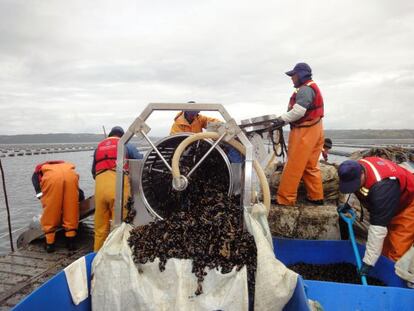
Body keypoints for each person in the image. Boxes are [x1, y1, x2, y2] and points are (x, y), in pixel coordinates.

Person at [338, 157, 414, 277]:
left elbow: (377, 229)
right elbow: (355, 190)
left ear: (362, 173)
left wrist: (368, 262)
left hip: (408, 204)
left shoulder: (382, 187)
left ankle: (392, 284)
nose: (354, 187)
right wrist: (348, 205)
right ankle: (379, 272)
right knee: (383, 250)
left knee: (396, 250)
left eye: (355, 184)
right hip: (389, 202)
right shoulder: (355, 167)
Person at [274, 62, 325, 206]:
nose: (292, 78)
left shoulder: (305, 89)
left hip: (305, 131)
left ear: (301, 75)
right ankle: (316, 197)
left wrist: (280, 119)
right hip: (316, 128)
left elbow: (298, 111)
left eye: (293, 75)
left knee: (293, 166)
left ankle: (285, 199)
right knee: (310, 165)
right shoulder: (310, 88)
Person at [92, 126, 143, 251]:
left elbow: (93, 172)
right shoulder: (125, 144)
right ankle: (117, 255)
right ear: (123, 136)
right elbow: (140, 160)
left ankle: (97, 254)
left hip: (100, 188)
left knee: (100, 228)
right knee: (120, 226)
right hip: (118, 188)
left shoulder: (99, 147)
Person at [32, 161, 83, 253]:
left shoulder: (39, 171)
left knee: (51, 211)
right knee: (71, 209)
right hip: (71, 176)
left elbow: (38, 188)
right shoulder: (65, 167)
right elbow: (78, 191)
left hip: (52, 179)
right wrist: (80, 198)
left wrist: (42, 197)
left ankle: (50, 244)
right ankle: (71, 242)